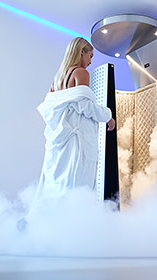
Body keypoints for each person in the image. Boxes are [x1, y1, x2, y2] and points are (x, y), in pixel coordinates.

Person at [36, 37, 115, 198]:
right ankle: (74, 221)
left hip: (59, 141)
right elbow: (85, 106)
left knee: (57, 184)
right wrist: (108, 116)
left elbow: (53, 108)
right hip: (76, 142)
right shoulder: (80, 73)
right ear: (81, 52)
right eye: (90, 56)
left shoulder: (57, 79)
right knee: (77, 185)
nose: (91, 62)